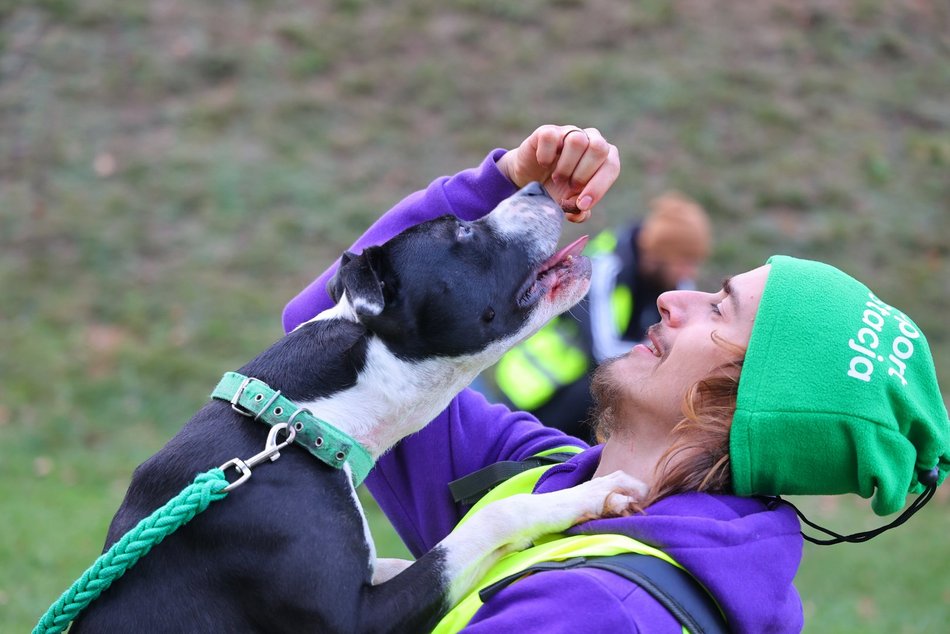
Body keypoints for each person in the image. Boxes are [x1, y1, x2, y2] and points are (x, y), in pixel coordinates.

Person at [282, 125, 949, 632]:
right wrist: (503, 185)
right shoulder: (540, 479)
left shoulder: (598, 611)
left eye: (717, 308)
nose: (673, 301)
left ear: (750, 407)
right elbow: (328, 336)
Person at [482, 190, 713, 441]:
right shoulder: (604, 267)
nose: (689, 273)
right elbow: (605, 350)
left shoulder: (674, 281)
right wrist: (665, 351)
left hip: (578, 394)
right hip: (536, 389)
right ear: (659, 256)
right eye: (685, 262)